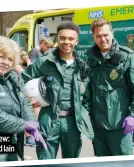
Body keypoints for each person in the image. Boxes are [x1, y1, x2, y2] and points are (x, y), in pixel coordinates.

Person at [22, 21, 94, 159]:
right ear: (57, 39)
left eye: (71, 39)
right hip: (48, 119)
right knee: (45, 159)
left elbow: (88, 97)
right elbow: (23, 81)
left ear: (76, 41)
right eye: (63, 38)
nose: (66, 42)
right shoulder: (44, 62)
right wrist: (29, 100)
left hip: (73, 122)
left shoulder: (82, 67)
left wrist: (84, 115)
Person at [85, 18, 134, 156]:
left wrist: (133, 115)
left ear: (112, 33)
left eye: (105, 34)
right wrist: (87, 118)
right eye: (98, 36)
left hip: (120, 126)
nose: (103, 39)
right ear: (93, 37)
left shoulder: (127, 57)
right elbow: (87, 92)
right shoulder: (90, 59)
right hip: (97, 127)